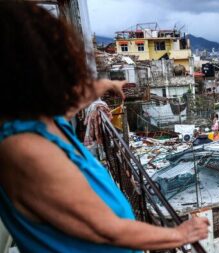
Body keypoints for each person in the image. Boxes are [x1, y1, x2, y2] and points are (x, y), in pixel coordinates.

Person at [0, 3, 208, 252]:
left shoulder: (40, 120)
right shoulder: (26, 149)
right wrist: (181, 234)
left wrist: (107, 85)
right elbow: (107, 230)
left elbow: (72, 101)